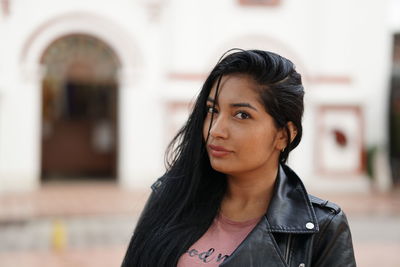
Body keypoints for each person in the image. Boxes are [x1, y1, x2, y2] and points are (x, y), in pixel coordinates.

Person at [122, 49, 356, 267]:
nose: (216, 130)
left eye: (242, 115)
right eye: (213, 111)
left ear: (284, 135)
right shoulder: (171, 195)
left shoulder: (321, 228)